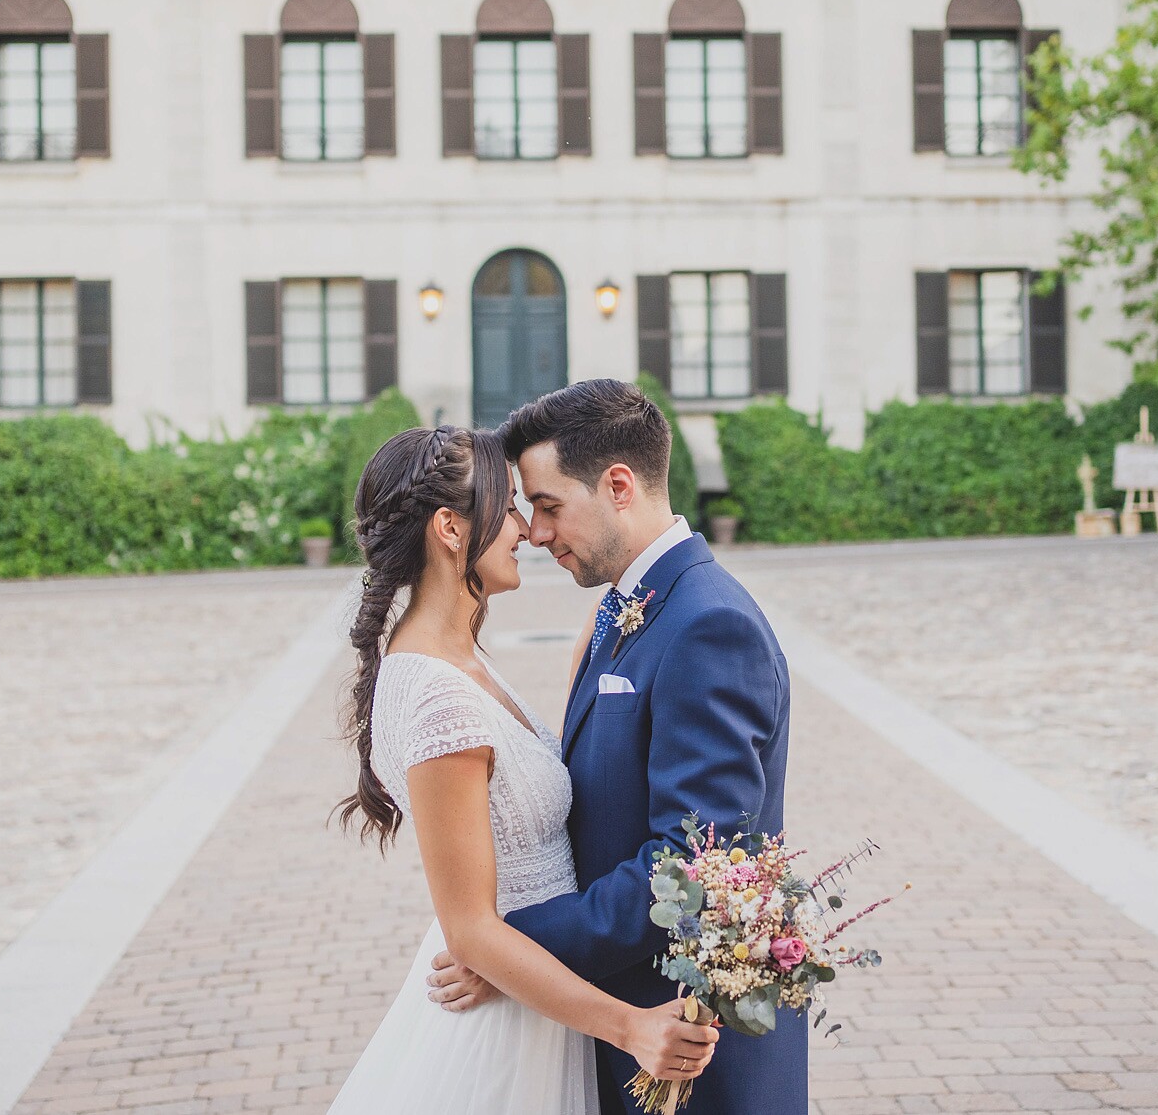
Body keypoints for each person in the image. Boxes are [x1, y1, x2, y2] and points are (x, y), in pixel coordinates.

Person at [426, 380, 808, 1115]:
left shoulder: (707, 625)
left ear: (619, 485)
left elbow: (687, 867)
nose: (534, 532)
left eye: (547, 504)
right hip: (626, 1022)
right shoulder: (627, 605)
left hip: (692, 1047)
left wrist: (509, 946)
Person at [326, 424, 717, 1115]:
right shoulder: (436, 693)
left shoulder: (461, 657)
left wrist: (606, 644)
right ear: (450, 529)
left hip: (541, 1001)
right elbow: (471, 928)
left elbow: (521, 781)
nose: (526, 530)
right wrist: (630, 1027)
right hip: (503, 1031)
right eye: (507, 507)